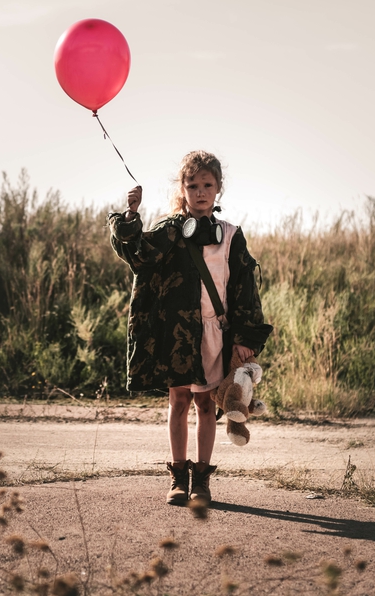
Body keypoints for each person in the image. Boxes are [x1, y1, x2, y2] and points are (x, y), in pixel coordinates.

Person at [108, 150, 273, 506]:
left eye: (207, 185)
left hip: (215, 334)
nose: (200, 192)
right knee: (179, 400)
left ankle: (202, 479)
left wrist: (246, 338)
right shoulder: (170, 231)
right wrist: (131, 215)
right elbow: (137, 256)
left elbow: (245, 288)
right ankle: (178, 477)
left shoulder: (230, 236)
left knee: (205, 404)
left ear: (218, 189)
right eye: (193, 184)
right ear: (182, 189)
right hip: (177, 334)